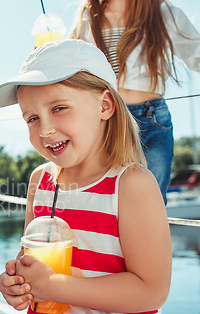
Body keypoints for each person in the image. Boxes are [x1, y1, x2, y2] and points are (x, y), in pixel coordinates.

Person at [0, 39, 172, 314]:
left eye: (59, 108)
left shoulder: (132, 184)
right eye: (31, 118)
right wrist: (18, 284)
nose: (45, 129)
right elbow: (30, 259)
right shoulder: (40, 181)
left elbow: (151, 291)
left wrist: (57, 287)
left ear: (105, 105)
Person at [69, 0, 200, 203]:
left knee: (152, 201)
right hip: (108, 120)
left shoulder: (162, 13)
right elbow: (70, 67)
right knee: (107, 201)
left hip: (153, 119)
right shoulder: (88, 16)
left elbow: (196, 53)